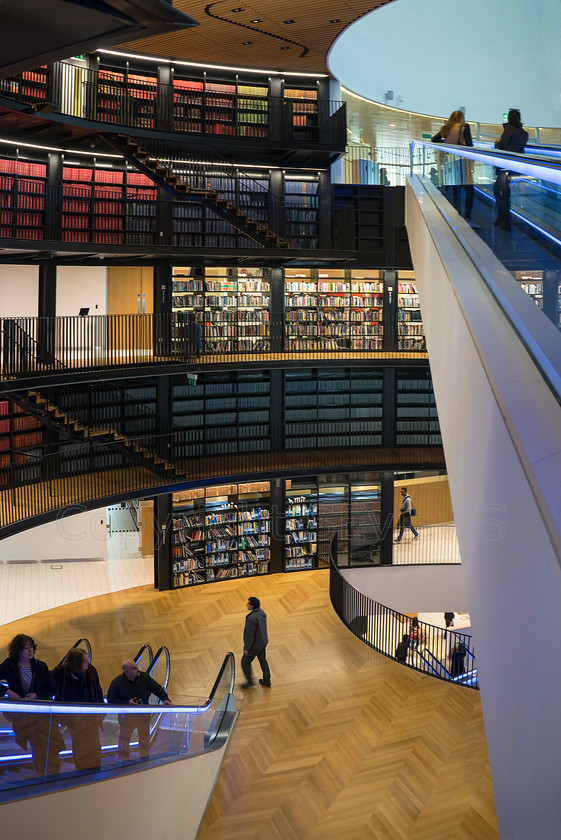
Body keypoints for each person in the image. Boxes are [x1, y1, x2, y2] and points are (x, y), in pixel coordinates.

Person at [0, 633, 62, 774]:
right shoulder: (9, 665)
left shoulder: (40, 666)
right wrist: (7, 691)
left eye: (31, 647)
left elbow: (53, 688)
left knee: (47, 743)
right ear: (18, 650)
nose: (30, 651)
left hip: (41, 713)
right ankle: (42, 771)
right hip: (22, 714)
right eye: (26, 648)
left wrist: (36, 695)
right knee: (37, 742)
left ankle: (50, 771)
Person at [107, 659, 172, 760]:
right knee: (124, 739)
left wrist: (165, 698)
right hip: (127, 717)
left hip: (143, 715)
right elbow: (111, 700)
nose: (138, 669)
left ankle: (144, 759)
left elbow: (156, 688)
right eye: (134, 668)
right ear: (126, 671)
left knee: (144, 739)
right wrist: (128, 702)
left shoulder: (144, 677)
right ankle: (123, 760)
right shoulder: (117, 682)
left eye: (136, 666)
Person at [51, 647, 104, 771]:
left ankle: (95, 768)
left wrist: (102, 709)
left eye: (87, 660)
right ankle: (81, 769)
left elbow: (98, 690)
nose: (87, 663)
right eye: (84, 661)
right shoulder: (61, 672)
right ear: (75, 662)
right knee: (79, 743)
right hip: (73, 717)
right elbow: (48, 682)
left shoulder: (91, 670)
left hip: (92, 715)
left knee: (93, 743)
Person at [431, 110, 477, 224]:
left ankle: (456, 215)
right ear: (462, 118)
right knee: (469, 190)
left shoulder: (446, 128)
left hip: (450, 162)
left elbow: (434, 139)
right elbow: (470, 144)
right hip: (463, 161)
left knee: (456, 190)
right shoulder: (464, 127)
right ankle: (467, 217)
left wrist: (446, 143)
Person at [493, 108, 529, 230]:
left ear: (509, 118)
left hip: (504, 166)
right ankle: (504, 219)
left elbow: (502, 144)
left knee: (499, 192)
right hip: (515, 166)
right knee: (506, 193)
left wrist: (496, 143)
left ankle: (503, 220)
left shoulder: (509, 129)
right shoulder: (524, 133)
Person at [241, 596, 271, 688]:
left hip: (254, 646)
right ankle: (267, 680)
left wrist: (246, 648)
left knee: (245, 662)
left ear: (252, 606)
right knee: (263, 660)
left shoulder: (251, 619)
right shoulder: (262, 613)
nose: (247, 604)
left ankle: (249, 681)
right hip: (263, 642)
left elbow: (250, 635)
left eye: (248, 603)